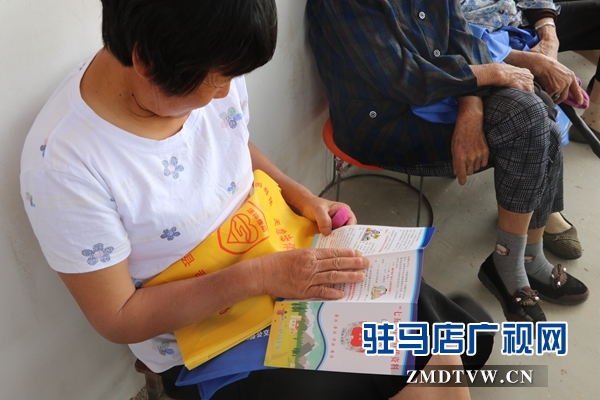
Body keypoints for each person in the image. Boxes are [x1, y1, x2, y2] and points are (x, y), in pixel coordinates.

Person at [20, 1, 492, 399]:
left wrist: (300, 195)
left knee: (442, 346)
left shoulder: (202, 63)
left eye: (232, 77)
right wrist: (262, 276)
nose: (224, 93)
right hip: (209, 338)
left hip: (278, 250)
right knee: (419, 361)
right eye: (213, 83)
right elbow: (119, 317)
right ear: (144, 61)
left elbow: (232, 143)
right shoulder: (64, 165)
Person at [306, 0, 590, 325]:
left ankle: (523, 256)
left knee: (538, 117)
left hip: (444, 93)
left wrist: (472, 107)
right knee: (528, 122)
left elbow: (462, 38)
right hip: (384, 121)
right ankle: (511, 264)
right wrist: (492, 73)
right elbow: (404, 77)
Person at [460, 0, 600, 260]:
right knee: (535, 112)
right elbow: (446, 32)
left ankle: (595, 116)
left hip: (520, 25)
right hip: (482, 47)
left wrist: (549, 36)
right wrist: (526, 61)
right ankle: (540, 211)